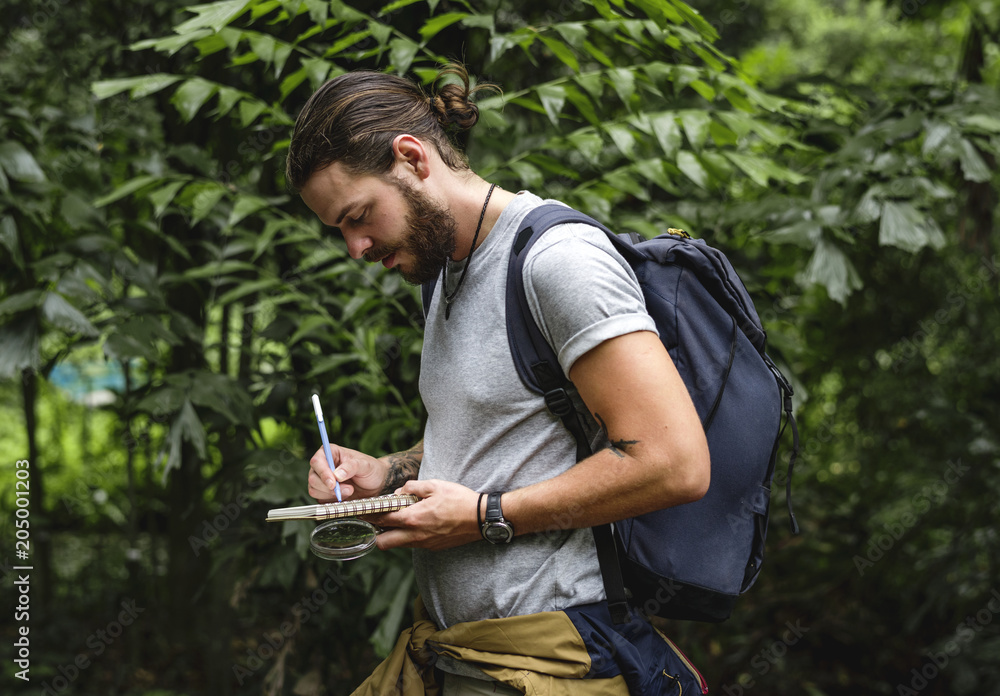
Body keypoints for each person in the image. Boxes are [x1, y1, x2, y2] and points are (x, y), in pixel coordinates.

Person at [287, 64, 711, 695]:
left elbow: (675, 462)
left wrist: (486, 515)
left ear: (411, 157)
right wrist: (388, 472)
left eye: (358, 215)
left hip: (555, 660)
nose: (355, 247)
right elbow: (504, 435)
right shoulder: (444, 273)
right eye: (341, 230)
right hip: (465, 657)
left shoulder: (557, 262)